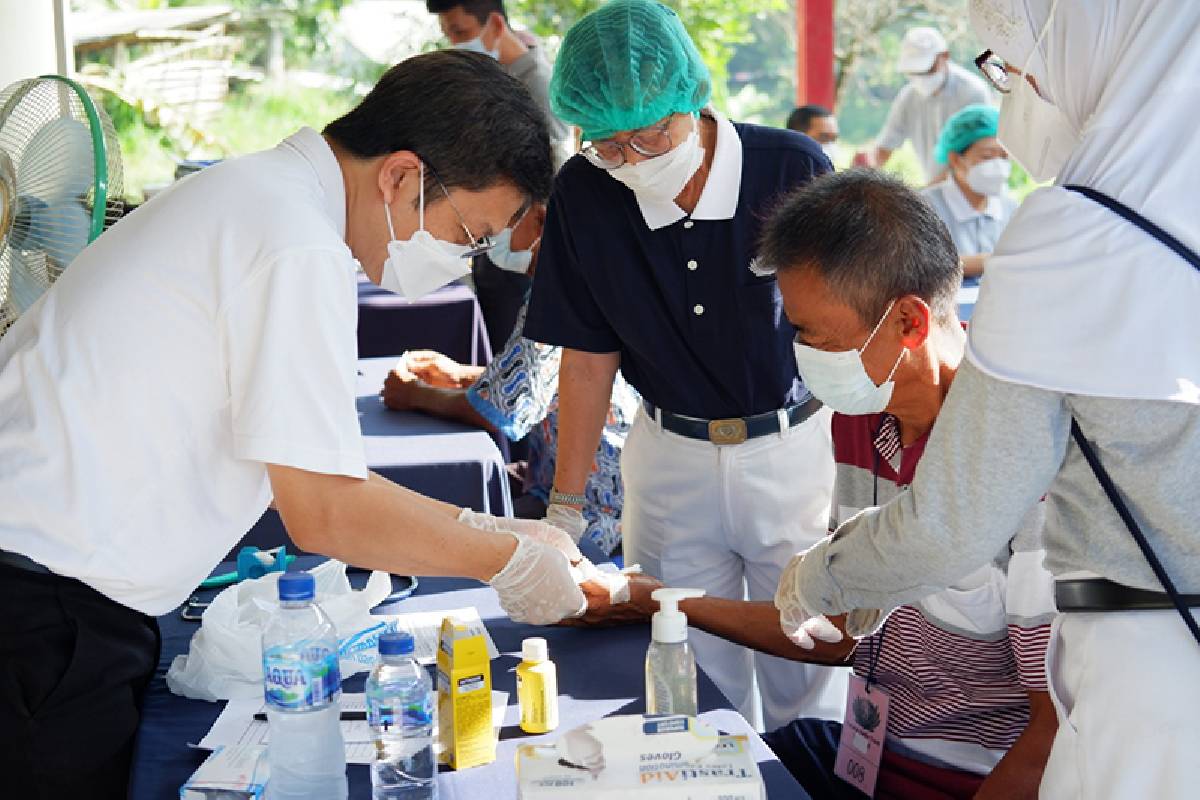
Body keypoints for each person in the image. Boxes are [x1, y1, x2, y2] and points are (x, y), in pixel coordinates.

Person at [0, 51, 593, 798]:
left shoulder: (259, 196)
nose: (461, 261)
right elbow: (323, 509)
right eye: (469, 235)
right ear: (402, 177)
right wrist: (501, 560)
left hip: (43, 585)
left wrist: (488, 526)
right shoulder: (295, 243)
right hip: (42, 611)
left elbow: (309, 469)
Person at [775, 2, 1200, 797]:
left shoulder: (1076, 236)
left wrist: (824, 574)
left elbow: (953, 525)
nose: (1011, 99)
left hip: (1150, 669)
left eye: (1014, 66)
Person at [577, 169, 1058, 799]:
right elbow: (835, 630)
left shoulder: (1028, 472)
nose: (801, 354)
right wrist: (658, 599)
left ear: (909, 323)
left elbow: (1053, 735)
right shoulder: (865, 422)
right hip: (865, 754)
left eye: (816, 336)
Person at [523, 0, 844, 731]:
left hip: (789, 450)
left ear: (692, 99)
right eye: (607, 144)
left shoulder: (791, 167)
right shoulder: (585, 189)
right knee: (687, 671)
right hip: (669, 460)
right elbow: (587, 355)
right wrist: (566, 509)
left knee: (808, 662)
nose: (631, 160)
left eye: (649, 137)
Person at [382, 287, 641, 557]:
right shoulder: (584, 283)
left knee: (451, 532)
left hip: (596, 509)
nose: (486, 243)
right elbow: (542, 381)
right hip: (574, 481)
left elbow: (497, 411)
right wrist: (461, 376)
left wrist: (414, 395)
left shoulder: (554, 296)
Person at [426, 0, 574, 350]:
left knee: (511, 358)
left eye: (461, 32)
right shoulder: (493, 79)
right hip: (491, 241)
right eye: (448, 34)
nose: (455, 43)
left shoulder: (536, 83)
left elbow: (555, 170)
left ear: (494, 24)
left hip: (518, 245)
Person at [870, 26, 991, 183]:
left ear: (945, 56)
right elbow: (886, 144)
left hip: (973, 186)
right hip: (934, 188)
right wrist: (868, 173)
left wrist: (930, 190)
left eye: (927, 69)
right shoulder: (908, 97)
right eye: (914, 72)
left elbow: (979, 150)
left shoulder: (972, 92)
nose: (921, 77)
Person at [922, 104, 1015, 285]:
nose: (998, 165)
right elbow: (918, 267)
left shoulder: (1011, 209)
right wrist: (986, 262)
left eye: (1004, 157)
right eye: (987, 156)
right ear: (956, 159)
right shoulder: (925, 209)